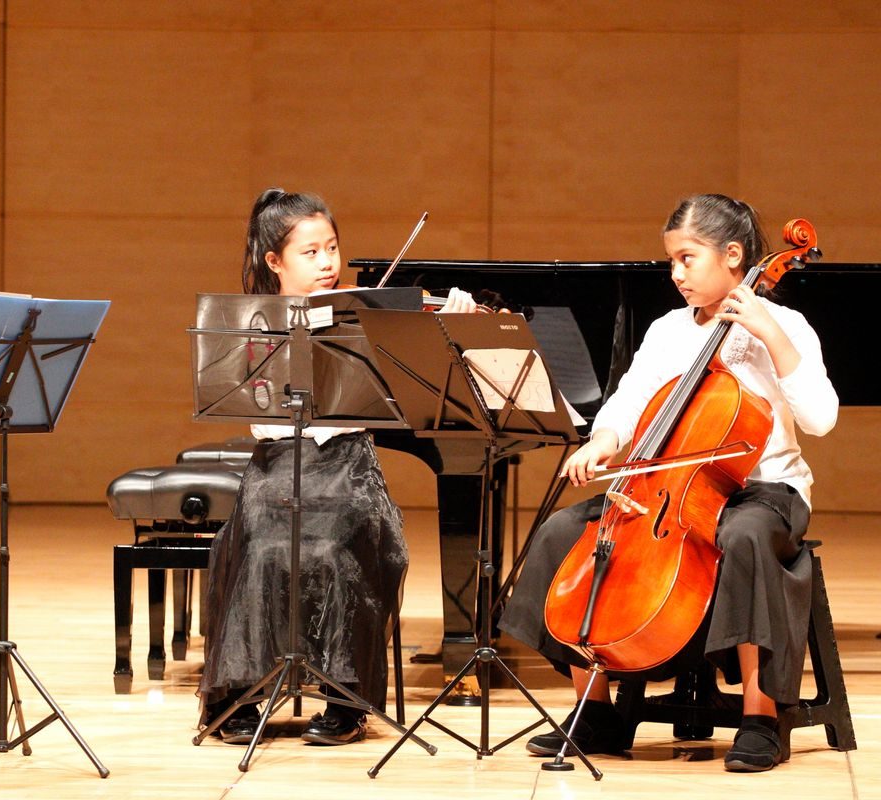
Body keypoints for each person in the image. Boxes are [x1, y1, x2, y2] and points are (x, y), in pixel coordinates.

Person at [498, 193, 838, 772]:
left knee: (746, 537)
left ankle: (761, 717)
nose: (676, 274)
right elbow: (630, 402)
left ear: (733, 256)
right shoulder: (667, 330)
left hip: (765, 491)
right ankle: (595, 709)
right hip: (670, 487)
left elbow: (821, 418)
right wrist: (604, 440)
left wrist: (770, 334)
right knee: (562, 532)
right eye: (672, 261)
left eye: (687, 259)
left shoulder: (784, 325)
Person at [198, 188, 482, 746]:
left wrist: (452, 325)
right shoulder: (250, 323)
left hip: (348, 469)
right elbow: (249, 402)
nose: (328, 262)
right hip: (277, 468)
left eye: (332, 247)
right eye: (310, 252)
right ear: (274, 261)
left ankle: (345, 699)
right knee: (261, 547)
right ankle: (241, 693)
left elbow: (424, 380)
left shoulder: (365, 315)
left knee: (335, 549)